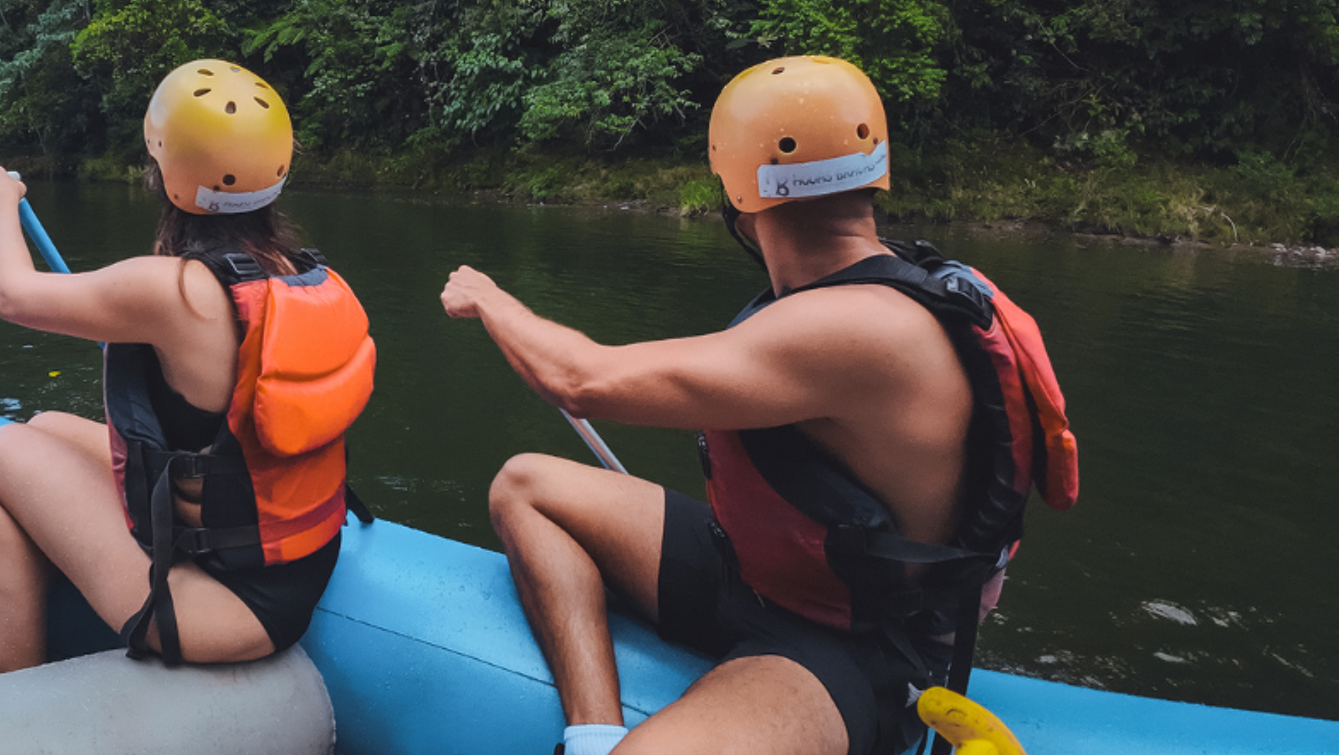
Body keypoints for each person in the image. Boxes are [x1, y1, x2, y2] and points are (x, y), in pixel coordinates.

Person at [441, 55, 1076, 755]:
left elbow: (578, 381)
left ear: (740, 195)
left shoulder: (855, 328)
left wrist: (489, 298)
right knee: (526, 485)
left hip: (851, 646)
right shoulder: (866, 287)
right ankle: (593, 732)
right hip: (758, 574)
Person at [0, 58, 375, 676]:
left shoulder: (173, 291)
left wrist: (2, 201)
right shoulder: (299, 272)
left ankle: (2, 661)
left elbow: (13, 296)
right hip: (290, 568)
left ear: (164, 170)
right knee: (45, 423)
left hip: (226, 607)